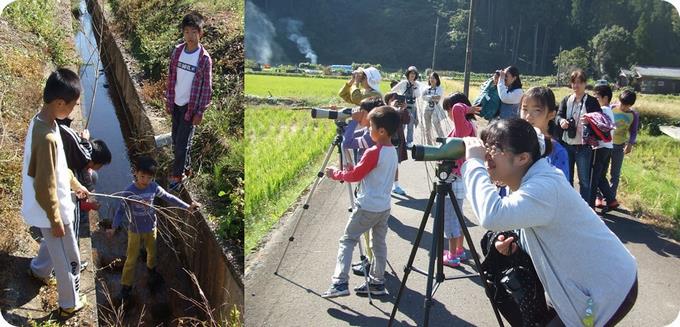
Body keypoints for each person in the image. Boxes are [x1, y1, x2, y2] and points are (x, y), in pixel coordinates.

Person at [462, 118, 637, 327]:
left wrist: (473, 163)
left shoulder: (544, 187)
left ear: (522, 158)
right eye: (485, 146)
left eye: (494, 147)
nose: (486, 154)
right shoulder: (526, 181)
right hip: (582, 286)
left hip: (607, 290)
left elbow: (492, 216)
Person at [22, 69, 89, 318]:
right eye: (73, 105)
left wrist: (74, 183)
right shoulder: (48, 136)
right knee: (68, 256)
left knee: (54, 246)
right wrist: (55, 218)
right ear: (60, 103)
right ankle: (69, 302)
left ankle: (39, 270)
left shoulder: (42, 121)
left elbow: (57, 167)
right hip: (54, 209)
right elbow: (44, 183)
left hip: (53, 204)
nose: (73, 109)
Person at [321, 106, 400, 298]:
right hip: (384, 207)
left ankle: (339, 283)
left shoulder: (373, 151)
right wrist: (353, 169)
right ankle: (377, 281)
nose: (368, 130)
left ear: (381, 131)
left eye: (370, 126)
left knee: (347, 240)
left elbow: (355, 176)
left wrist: (336, 174)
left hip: (367, 207)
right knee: (378, 244)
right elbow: (370, 173)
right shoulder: (392, 151)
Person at [108, 156, 199, 301]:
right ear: (135, 173)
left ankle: (151, 271)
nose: (145, 180)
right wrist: (114, 227)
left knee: (152, 253)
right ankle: (126, 287)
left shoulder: (154, 187)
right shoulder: (129, 191)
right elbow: (120, 210)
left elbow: (169, 197)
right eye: (142, 176)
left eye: (149, 177)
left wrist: (187, 206)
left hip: (151, 228)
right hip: (135, 231)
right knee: (131, 259)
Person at [165, 12, 213, 190]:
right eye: (186, 32)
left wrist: (200, 111)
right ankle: (187, 168)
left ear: (201, 33)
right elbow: (171, 77)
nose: (190, 37)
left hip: (190, 108)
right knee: (176, 140)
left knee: (182, 144)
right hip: (176, 103)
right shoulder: (178, 51)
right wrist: (169, 100)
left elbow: (207, 88)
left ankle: (177, 177)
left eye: (194, 32)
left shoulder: (204, 59)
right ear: (182, 33)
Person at [341, 97, 385, 276]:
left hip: (368, 185)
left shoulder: (370, 137)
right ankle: (372, 262)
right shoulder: (371, 132)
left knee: (367, 233)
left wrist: (352, 122)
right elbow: (350, 136)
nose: (360, 115)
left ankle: (369, 261)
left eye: (362, 112)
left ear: (371, 114)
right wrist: (346, 122)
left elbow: (347, 143)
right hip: (375, 186)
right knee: (375, 235)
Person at [438, 93, 479, 267]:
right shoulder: (470, 125)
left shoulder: (462, 127)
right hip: (459, 177)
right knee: (458, 215)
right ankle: (460, 250)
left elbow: (456, 108)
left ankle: (452, 255)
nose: (449, 113)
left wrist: (466, 108)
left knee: (450, 217)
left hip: (453, 177)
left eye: (447, 109)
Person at [556, 69, 601, 203]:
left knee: (584, 180)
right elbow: (558, 115)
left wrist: (590, 121)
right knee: (567, 178)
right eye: (573, 83)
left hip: (583, 146)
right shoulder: (566, 100)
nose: (576, 86)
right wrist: (561, 121)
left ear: (585, 84)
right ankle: (569, 205)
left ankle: (584, 207)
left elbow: (600, 120)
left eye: (579, 83)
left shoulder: (592, 101)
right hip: (567, 144)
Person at [519, 86, 570, 180]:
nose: (528, 117)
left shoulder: (557, 152)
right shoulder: (514, 143)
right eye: (525, 109)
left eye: (537, 110)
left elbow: (560, 189)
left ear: (551, 114)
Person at [607, 90, 639, 206]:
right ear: (619, 100)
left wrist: (630, 144)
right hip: (606, 145)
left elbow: (634, 131)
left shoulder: (633, 115)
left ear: (631, 105)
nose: (624, 107)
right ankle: (599, 196)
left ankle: (611, 199)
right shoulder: (611, 108)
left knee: (615, 173)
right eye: (622, 104)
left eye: (627, 105)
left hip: (619, 146)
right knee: (601, 172)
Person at [590, 84, 617, 209]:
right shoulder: (609, 110)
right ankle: (611, 200)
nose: (596, 100)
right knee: (601, 175)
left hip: (600, 147)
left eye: (597, 97)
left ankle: (595, 201)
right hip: (608, 147)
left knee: (595, 176)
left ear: (605, 98)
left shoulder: (603, 110)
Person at [384, 92, 410, 195]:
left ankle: (396, 185)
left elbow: (407, 120)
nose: (396, 102)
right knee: (384, 164)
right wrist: (392, 108)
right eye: (393, 99)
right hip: (385, 141)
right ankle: (385, 186)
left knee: (394, 163)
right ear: (387, 101)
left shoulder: (400, 110)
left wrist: (404, 109)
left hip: (397, 140)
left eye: (398, 100)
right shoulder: (384, 111)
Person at [391, 66, 422, 148]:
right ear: (408, 74)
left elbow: (418, 95)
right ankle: (399, 141)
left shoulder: (417, 84)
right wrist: (397, 97)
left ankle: (409, 142)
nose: (413, 75)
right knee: (401, 125)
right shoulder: (403, 83)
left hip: (412, 107)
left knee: (410, 125)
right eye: (411, 73)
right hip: (403, 106)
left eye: (414, 74)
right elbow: (393, 90)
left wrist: (415, 87)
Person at [420, 72, 446, 144]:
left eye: (433, 78)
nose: (432, 79)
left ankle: (443, 141)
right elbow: (422, 97)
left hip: (435, 109)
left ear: (437, 79)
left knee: (437, 125)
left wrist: (428, 97)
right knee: (427, 127)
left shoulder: (439, 88)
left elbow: (438, 98)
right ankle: (429, 143)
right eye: (430, 78)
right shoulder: (426, 88)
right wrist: (432, 97)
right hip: (427, 109)